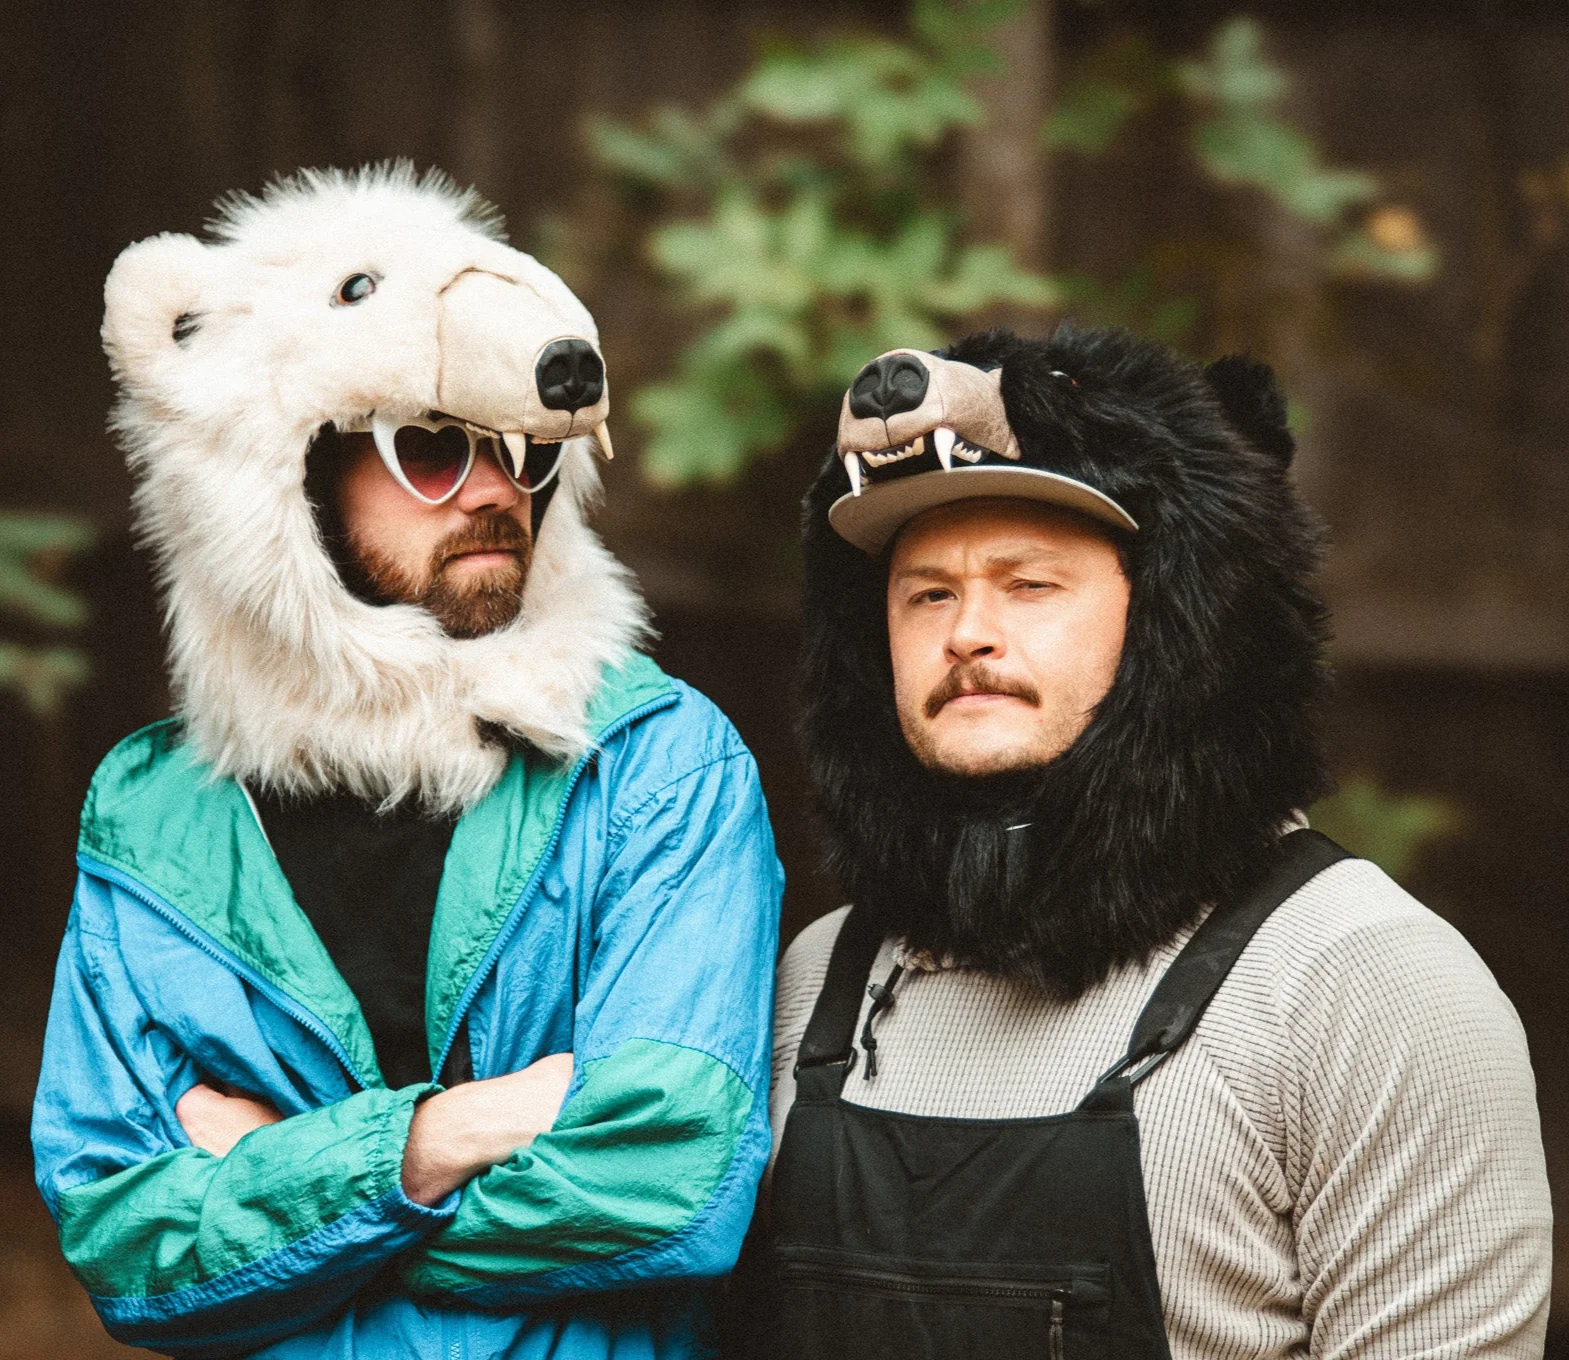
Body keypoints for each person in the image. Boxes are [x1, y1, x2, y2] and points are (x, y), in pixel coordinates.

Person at [32, 164, 781, 1359]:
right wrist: (436, 1139)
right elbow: (124, 1241)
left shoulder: (653, 769)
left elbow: (670, 1187)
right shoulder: (153, 817)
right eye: (428, 445)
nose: (494, 491)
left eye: (517, 451)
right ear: (287, 482)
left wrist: (283, 1178)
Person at [762, 328, 1551, 1358]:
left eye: (1031, 584)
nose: (968, 632)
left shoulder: (1368, 986)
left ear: (1175, 627)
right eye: (929, 593)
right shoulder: (819, 976)